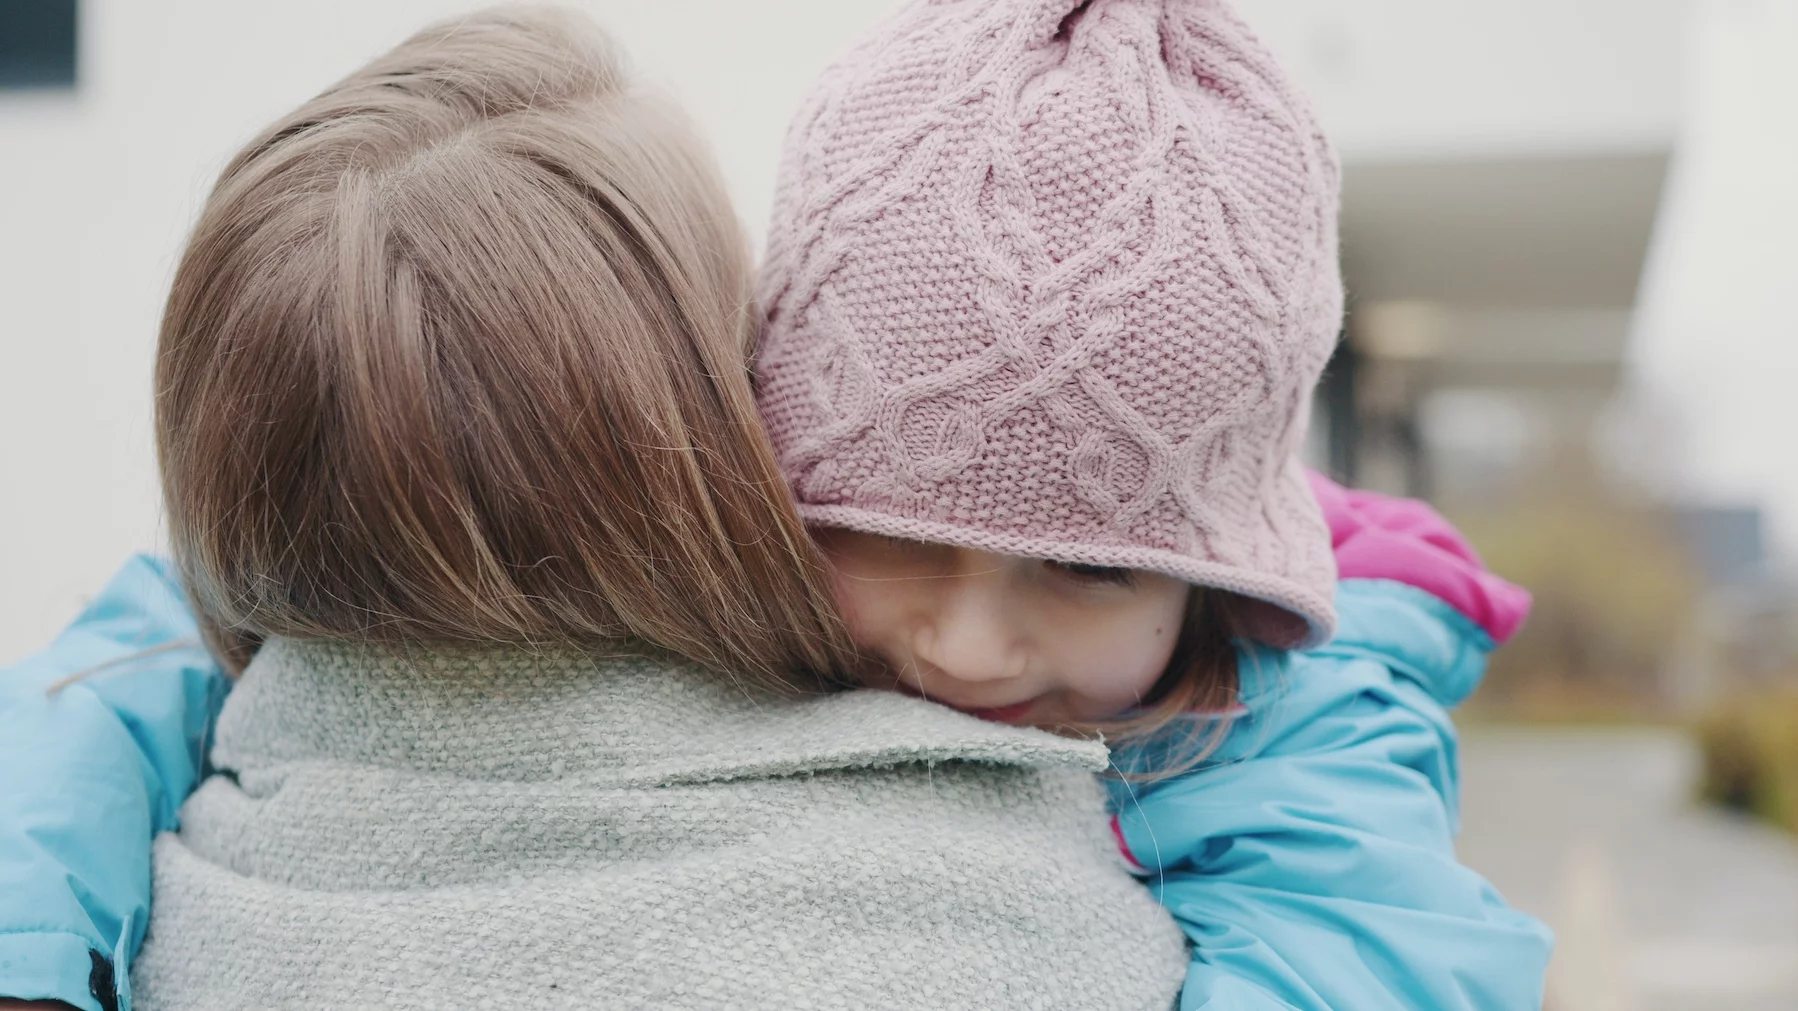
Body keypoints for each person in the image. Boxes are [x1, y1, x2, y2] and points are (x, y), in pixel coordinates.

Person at [0, 1, 1554, 1009]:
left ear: (1219, 579)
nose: (969, 643)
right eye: (880, 531)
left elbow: (1371, 952)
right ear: (752, 435)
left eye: (1085, 571)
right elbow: (154, 649)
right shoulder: (698, 503)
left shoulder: (1289, 715)